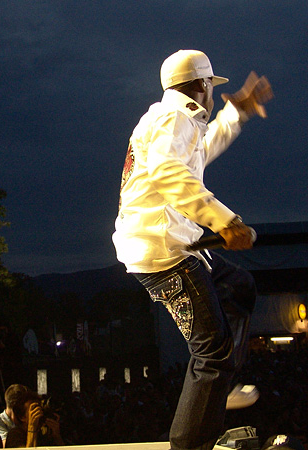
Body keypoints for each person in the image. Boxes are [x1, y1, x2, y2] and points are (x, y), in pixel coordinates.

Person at [112, 49, 273, 450]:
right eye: (212, 89)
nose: (213, 97)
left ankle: (219, 389)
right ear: (202, 85)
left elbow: (203, 150)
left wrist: (237, 112)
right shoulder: (171, 119)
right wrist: (224, 221)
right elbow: (170, 174)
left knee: (240, 286)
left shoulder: (175, 119)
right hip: (162, 252)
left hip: (173, 243)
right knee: (212, 350)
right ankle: (189, 444)